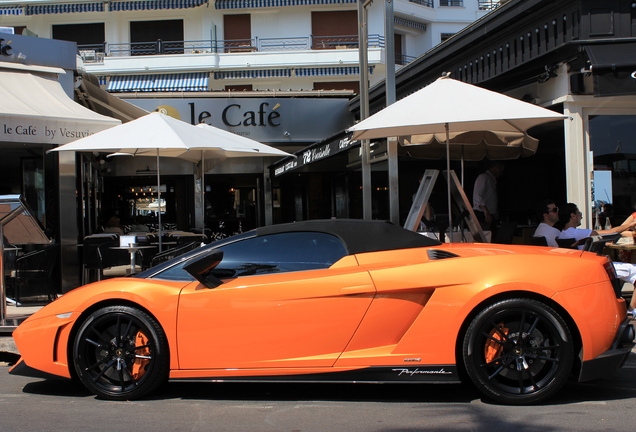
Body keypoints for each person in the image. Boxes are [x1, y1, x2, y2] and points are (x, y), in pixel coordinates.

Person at [557, 203, 636, 314]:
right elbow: (611, 232)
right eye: (579, 213)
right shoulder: (578, 233)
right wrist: (630, 224)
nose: (581, 216)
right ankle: (631, 310)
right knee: (635, 270)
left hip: (581, 269)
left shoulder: (562, 235)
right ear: (573, 216)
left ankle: (621, 305)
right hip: (594, 269)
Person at [472, 162, 504, 231]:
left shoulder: (492, 179)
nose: (501, 172)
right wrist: (486, 211)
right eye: (500, 169)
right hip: (483, 214)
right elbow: (478, 196)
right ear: (495, 167)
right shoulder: (483, 177)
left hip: (489, 214)